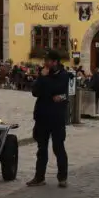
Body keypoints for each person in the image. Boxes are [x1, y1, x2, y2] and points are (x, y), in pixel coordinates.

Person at [27, 49, 70, 188]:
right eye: (45, 61)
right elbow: (35, 92)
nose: (45, 63)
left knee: (58, 147)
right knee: (41, 149)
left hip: (57, 118)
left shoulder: (63, 75)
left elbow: (57, 90)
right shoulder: (43, 74)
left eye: (48, 61)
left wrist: (45, 83)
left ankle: (62, 177)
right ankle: (39, 177)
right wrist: (41, 78)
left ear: (55, 62)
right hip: (42, 116)